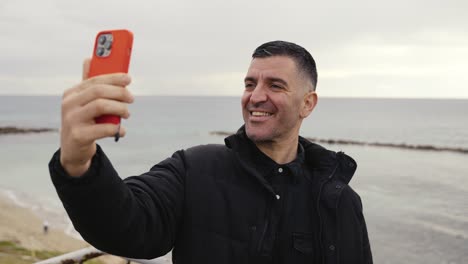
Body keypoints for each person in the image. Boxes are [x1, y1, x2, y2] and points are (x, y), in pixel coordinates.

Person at [49, 41, 372, 263]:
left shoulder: (340, 200)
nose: (255, 96)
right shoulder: (194, 168)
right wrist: (78, 161)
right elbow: (127, 227)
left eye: (275, 85)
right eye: (249, 84)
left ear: (307, 103)